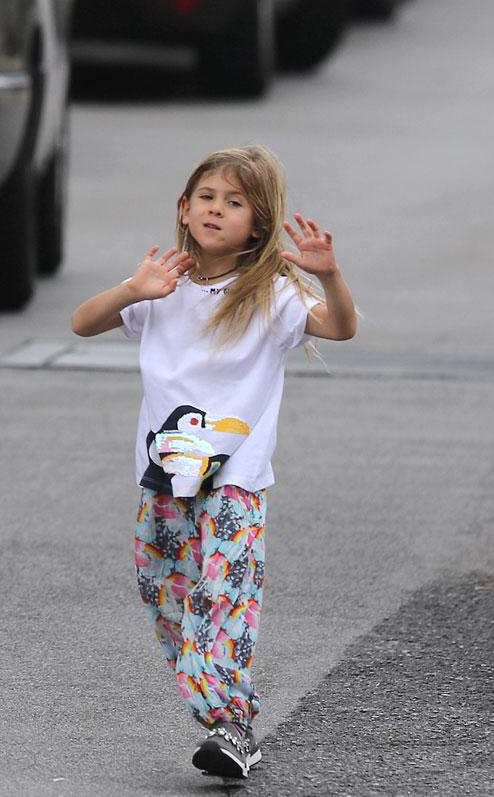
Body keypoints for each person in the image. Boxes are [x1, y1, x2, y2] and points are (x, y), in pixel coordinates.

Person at [70, 145, 357, 780]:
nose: (216, 211)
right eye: (207, 198)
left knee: (221, 599)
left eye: (234, 203)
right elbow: (82, 323)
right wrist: (132, 289)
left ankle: (232, 725)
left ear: (257, 224)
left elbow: (339, 328)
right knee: (166, 597)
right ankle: (224, 719)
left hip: (235, 479)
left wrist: (330, 276)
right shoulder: (160, 284)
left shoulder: (270, 293)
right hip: (164, 478)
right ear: (184, 207)